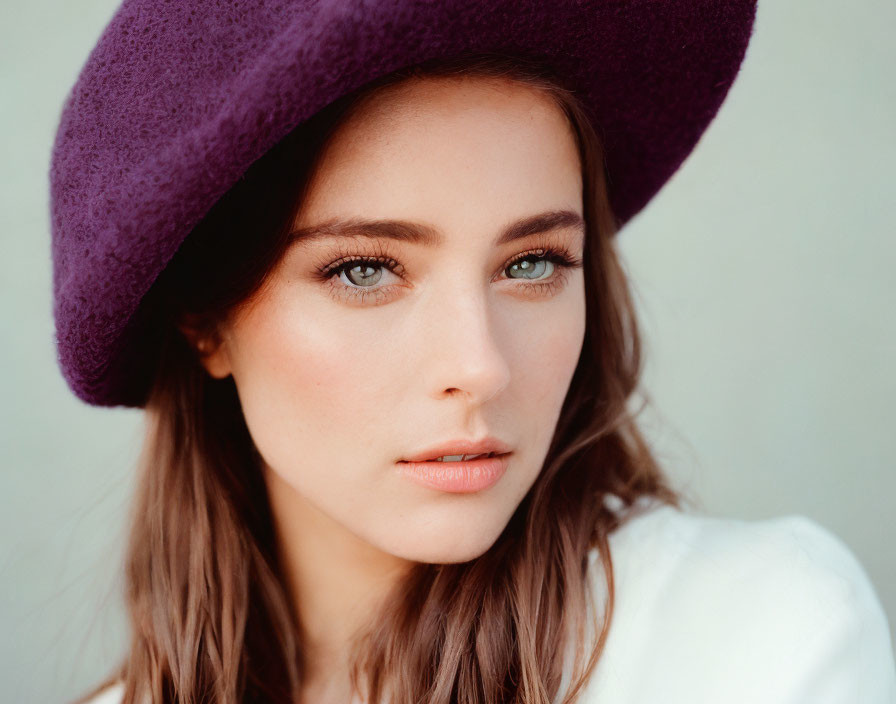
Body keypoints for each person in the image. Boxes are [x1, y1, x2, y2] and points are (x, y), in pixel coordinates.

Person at [48, 2, 895, 703]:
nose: (482, 364)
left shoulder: (755, 644)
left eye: (533, 263)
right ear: (205, 320)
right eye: (366, 270)